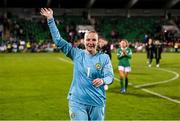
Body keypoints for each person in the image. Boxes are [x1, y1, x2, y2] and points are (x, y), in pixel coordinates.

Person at [40, 8, 114, 121]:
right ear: (84, 41)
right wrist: (50, 19)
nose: (90, 42)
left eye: (93, 40)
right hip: (77, 101)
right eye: (88, 39)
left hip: (97, 102)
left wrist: (103, 80)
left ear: (97, 42)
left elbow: (110, 76)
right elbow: (58, 41)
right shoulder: (76, 54)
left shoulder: (104, 58)